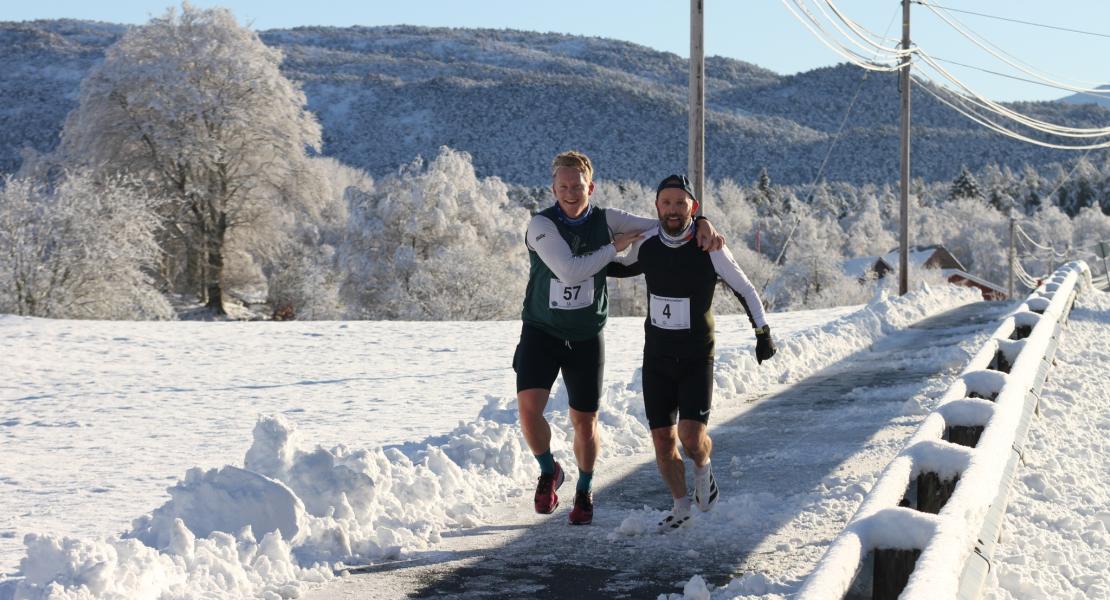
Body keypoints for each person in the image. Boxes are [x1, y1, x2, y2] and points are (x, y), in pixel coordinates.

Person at [514, 152, 724, 526]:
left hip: (585, 335)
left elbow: (667, 223)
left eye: (577, 186)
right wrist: (614, 248)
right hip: (542, 330)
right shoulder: (541, 224)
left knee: (585, 422)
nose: (570, 193)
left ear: (590, 188)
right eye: (563, 186)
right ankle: (549, 471)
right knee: (529, 411)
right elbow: (569, 271)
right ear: (553, 189)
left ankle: (584, 489)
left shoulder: (608, 219)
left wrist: (702, 221)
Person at [609, 173, 776, 532]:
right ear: (657, 206)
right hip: (656, 357)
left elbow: (746, 289)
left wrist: (762, 332)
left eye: (680, 203)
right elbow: (619, 268)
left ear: (693, 207)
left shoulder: (709, 247)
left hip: (696, 356)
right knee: (662, 441)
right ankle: (680, 506)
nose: (672, 210)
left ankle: (703, 468)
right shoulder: (647, 242)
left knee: (690, 437)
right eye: (666, 203)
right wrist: (577, 261)